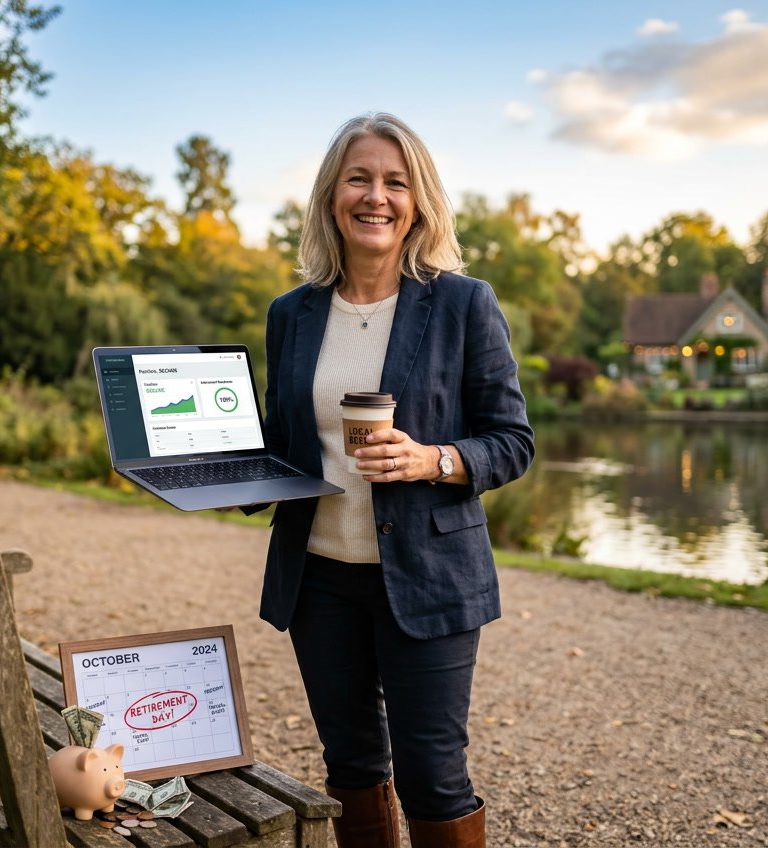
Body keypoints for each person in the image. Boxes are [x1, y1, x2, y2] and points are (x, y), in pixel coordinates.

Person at [252, 113, 534, 847]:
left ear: (417, 202)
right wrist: (210, 470)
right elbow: (283, 441)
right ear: (331, 197)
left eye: (394, 182)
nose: (375, 196)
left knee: (431, 774)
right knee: (349, 767)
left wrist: (432, 459)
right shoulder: (292, 314)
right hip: (318, 580)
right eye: (359, 178)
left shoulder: (464, 303)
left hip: (430, 575)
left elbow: (512, 442)